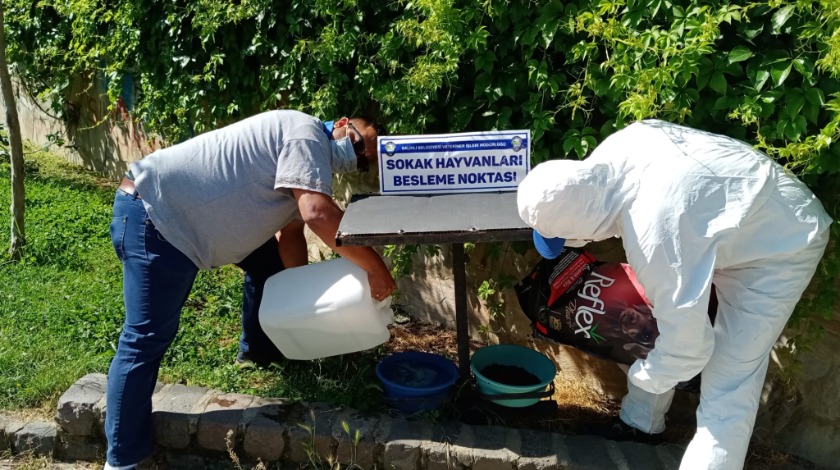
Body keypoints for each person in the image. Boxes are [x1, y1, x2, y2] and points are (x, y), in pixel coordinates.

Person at [517, 119, 831, 470]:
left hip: (780, 244)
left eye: (565, 238)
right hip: (733, 218)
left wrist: (642, 374)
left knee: (727, 388)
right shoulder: (615, 156)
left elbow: (688, 350)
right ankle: (641, 424)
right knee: (665, 319)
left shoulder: (656, 233)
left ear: (584, 224)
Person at [105, 110, 396, 470]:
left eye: (364, 159)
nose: (357, 157)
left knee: (265, 264)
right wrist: (376, 269)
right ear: (340, 124)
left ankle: (258, 351)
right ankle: (121, 460)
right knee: (145, 338)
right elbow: (317, 214)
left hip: (180, 225)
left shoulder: (305, 163)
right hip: (157, 219)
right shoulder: (305, 135)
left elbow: (290, 237)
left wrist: (301, 308)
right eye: (356, 143)